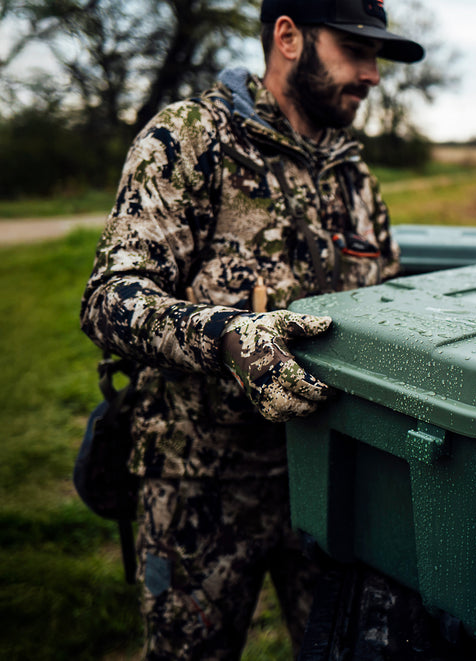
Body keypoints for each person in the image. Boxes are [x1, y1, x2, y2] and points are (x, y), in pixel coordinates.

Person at [79, 0, 424, 658]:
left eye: (377, 57)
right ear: (288, 37)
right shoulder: (190, 138)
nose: (374, 74)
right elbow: (110, 298)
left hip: (327, 489)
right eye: (356, 49)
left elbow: (388, 315)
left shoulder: (356, 181)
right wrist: (227, 336)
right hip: (198, 485)